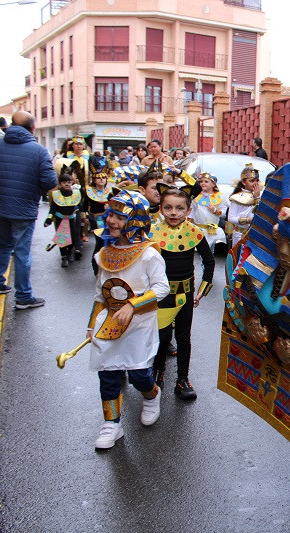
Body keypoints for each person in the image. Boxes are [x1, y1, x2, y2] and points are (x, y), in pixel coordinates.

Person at [86, 189, 169, 449]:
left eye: (120, 218)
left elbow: (162, 288)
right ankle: (112, 424)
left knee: (138, 374)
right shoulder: (103, 254)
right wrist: (91, 325)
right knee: (108, 375)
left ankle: (152, 393)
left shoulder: (148, 254)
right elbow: (101, 294)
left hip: (139, 325)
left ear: (135, 220)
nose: (112, 221)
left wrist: (133, 306)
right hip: (109, 324)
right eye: (112, 215)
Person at [149, 186, 215, 400]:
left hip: (185, 295)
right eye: (168, 207)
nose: (173, 213)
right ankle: (157, 372)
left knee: (183, 337)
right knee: (162, 336)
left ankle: (182, 379)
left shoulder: (194, 233)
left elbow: (209, 260)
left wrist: (201, 291)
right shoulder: (152, 232)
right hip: (160, 295)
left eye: (179, 208)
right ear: (161, 209)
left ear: (188, 210)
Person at [0, 110, 57, 308]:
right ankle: (23, 296)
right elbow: (50, 182)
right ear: (33, 128)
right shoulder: (38, 150)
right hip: (23, 208)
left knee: (2, 245)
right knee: (22, 252)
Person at [44, 168, 82, 268]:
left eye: (69, 182)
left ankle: (70, 252)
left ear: (72, 183)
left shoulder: (76, 194)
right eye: (64, 182)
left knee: (73, 239)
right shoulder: (56, 195)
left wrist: (83, 214)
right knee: (62, 240)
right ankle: (64, 257)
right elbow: (52, 209)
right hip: (60, 220)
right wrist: (48, 220)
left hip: (71, 219)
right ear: (60, 184)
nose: (67, 184)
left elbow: (79, 206)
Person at [83, 169, 113, 275]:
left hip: (109, 220)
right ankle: (96, 265)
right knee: (100, 241)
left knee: (109, 242)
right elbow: (85, 206)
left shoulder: (111, 191)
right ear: (94, 180)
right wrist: (84, 216)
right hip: (96, 220)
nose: (101, 179)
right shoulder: (89, 191)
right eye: (99, 178)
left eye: (103, 177)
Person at [189, 172, 228, 250]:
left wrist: (215, 210)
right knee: (201, 251)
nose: (203, 183)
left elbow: (223, 213)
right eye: (201, 181)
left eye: (206, 181)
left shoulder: (219, 196)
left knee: (210, 251)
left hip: (212, 230)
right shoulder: (197, 196)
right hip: (199, 228)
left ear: (213, 184)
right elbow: (191, 211)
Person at [227, 163, 262, 245]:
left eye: (257, 181)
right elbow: (231, 218)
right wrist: (247, 220)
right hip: (240, 234)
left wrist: (257, 198)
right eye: (251, 181)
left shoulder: (260, 196)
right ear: (243, 182)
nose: (255, 184)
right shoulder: (237, 198)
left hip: (254, 234)